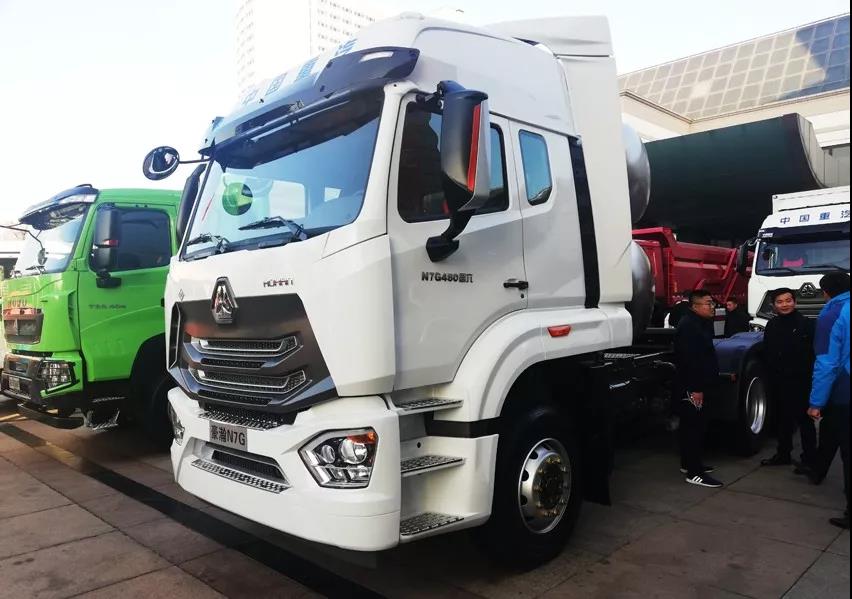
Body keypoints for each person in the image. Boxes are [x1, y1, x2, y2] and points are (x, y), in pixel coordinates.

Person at [805, 273, 850, 529]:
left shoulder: (832, 314)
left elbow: (827, 362)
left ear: (826, 292)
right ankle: (817, 470)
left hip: (844, 391)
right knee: (831, 433)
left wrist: (816, 402)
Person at [760, 288, 816, 467]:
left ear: (795, 302)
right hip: (779, 381)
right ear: (773, 305)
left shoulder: (807, 324)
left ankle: (809, 460)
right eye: (780, 302)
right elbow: (767, 351)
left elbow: (814, 355)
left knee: (804, 421)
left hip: (801, 382)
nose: (785, 305)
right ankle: (783, 454)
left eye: (788, 300)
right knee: (782, 419)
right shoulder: (772, 325)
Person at [674, 289, 723, 487]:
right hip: (692, 386)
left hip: (699, 383)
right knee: (693, 428)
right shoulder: (689, 326)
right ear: (695, 306)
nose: (712, 307)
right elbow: (689, 360)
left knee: (693, 426)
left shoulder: (700, 323)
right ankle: (694, 473)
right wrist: (696, 389)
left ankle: (689, 464)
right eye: (708, 303)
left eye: (712, 303)